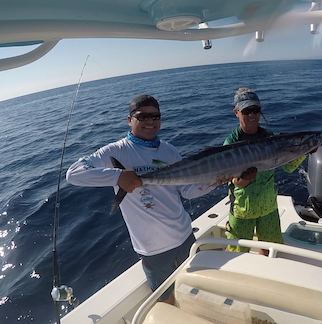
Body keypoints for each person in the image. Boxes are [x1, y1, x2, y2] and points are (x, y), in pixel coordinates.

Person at [66, 95, 216, 303]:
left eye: (155, 116)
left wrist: (216, 181)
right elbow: (73, 173)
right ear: (129, 120)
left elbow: (187, 191)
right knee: (166, 300)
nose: (150, 121)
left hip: (185, 236)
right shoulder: (115, 151)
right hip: (153, 249)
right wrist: (118, 176)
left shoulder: (169, 150)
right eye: (143, 116)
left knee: (196, 290)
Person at [223, 87, 306, 253]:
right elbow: (234, 182)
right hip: (242, 211)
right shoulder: (231, 142)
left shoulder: (269, 137)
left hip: (268, 208)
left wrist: (304, 151)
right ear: (236, 112)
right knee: (237, 255)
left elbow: (288, 167)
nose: (252, 115)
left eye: (256, 110)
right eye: (247, 111)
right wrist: (245, 180)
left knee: (272, 250)